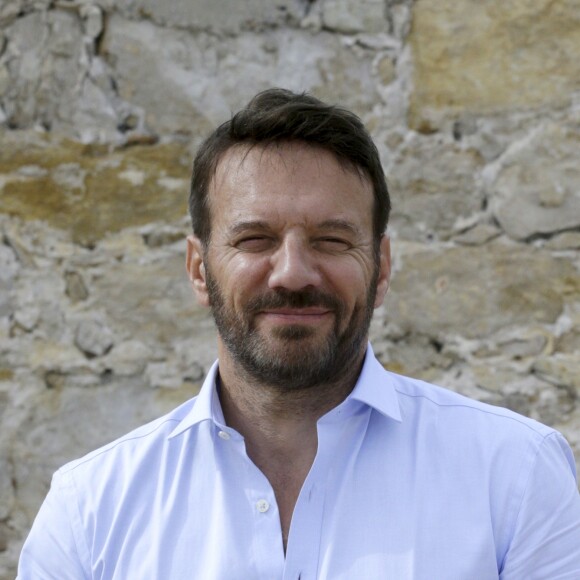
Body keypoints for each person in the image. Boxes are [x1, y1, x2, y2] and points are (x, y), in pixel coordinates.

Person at [18, 88, 580, 579]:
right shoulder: (90, 509)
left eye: (332, 240)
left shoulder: (515, 476)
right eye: (255, 239)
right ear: (197, 269)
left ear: (381, 268)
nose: (292, 273)